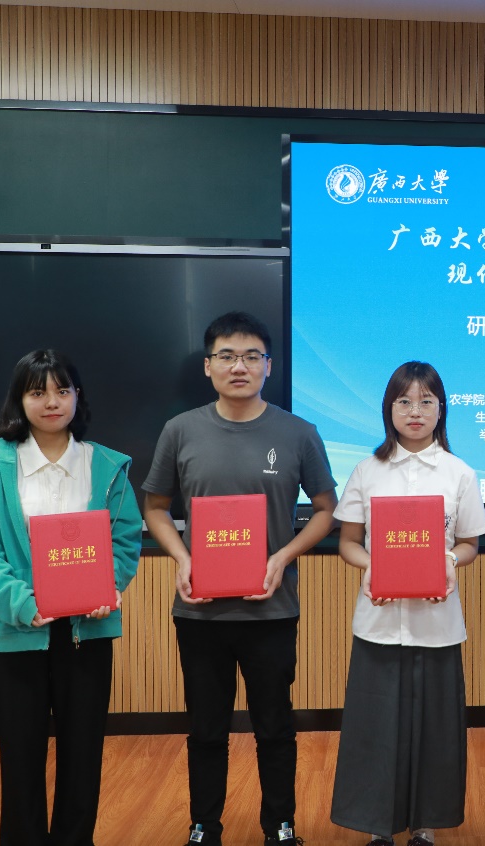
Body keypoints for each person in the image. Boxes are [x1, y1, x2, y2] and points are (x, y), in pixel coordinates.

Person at [142, 311, 337, 846]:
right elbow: (155, 507)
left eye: (252, 356)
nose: (239, 366)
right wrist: (182, 557)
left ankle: (280, 826)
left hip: (271, 609)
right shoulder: (180, 430)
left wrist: (283, 556)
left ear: (268, 366)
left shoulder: (299, 433)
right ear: (208, 366)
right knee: (206, 727)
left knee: (274, 725)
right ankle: (204, 826)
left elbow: (326, 509)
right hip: (200, 611)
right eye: (227, 356)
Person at [0, 350, 142, 846]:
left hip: (86, 632)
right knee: (20, 757)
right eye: (38, 392)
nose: (52, 402)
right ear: (20, 399)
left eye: (63, 390)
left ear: (78, 396)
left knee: (84, 754)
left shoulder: (106, 465)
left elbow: (124, 540)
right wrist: (22, 603)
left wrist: (108, 587)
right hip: (14, 633)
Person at [330, 361, 485, 846]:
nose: (415, 411)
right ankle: (378, 827)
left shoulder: (460, 473)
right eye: (404, 401)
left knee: (434, 728)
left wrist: (449, 561)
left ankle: (424, 825)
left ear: (441, 410)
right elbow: (348, 542)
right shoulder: (367, 470)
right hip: (378, 621)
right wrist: (372, 566)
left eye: (426, 401)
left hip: (437, 621)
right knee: (376, 728)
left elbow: (470, 544)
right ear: (389, 409)